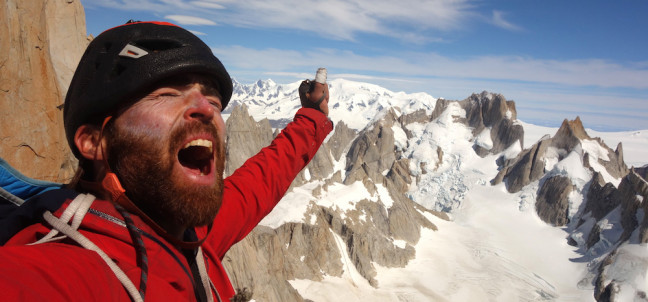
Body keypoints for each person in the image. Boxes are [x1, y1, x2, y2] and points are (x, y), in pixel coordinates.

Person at [0, 21, 332, 301]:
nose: (205, 108)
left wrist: (311, 118)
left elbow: (258, 182)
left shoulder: (191, 237)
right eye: (167, 94)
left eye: (213, 98)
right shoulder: (60, 271)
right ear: (95, 142)